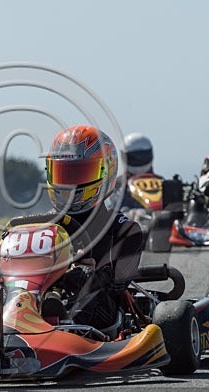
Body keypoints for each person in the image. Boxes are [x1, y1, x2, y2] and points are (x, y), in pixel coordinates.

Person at [44, 125, 145, 330]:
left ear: (106, 172)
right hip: (36, 302)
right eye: (63, 174)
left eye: (79, 174)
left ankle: (68, 326)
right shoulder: (44, 226)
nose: (70, 184)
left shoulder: (124, 230)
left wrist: (82, 268)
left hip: (102, 316)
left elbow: (117, 285)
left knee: (83, 277)